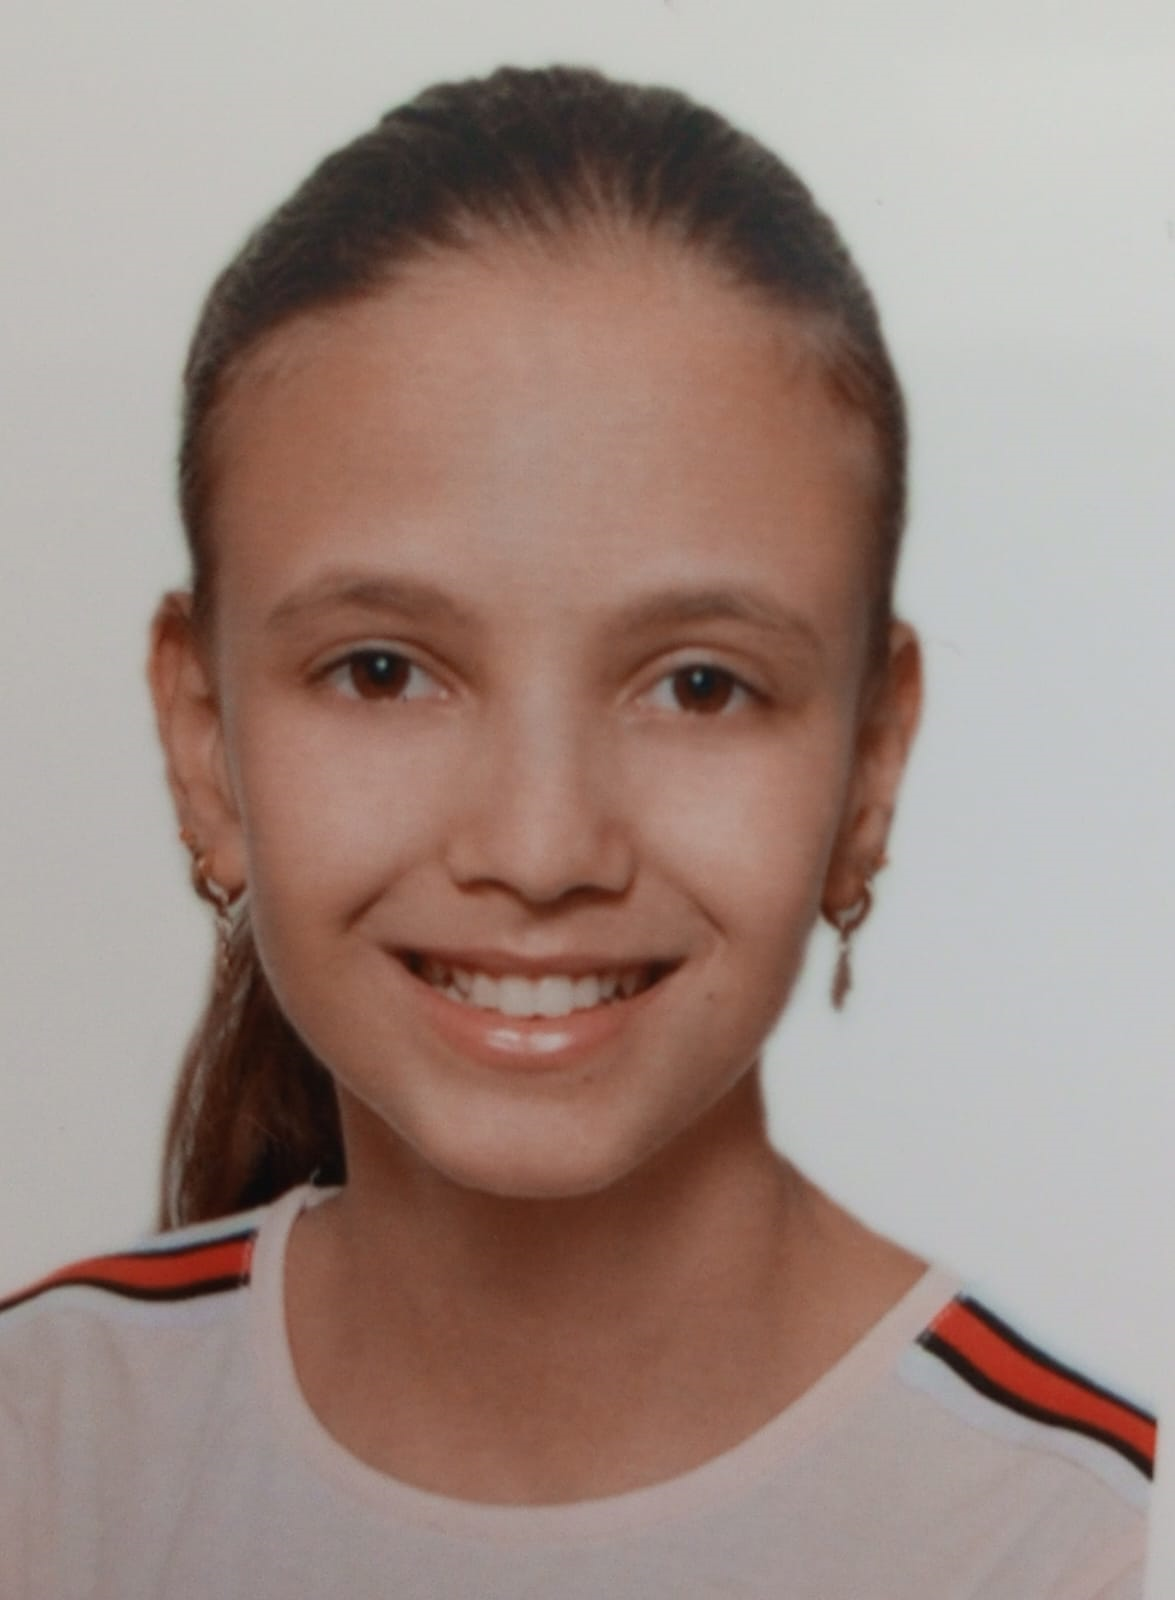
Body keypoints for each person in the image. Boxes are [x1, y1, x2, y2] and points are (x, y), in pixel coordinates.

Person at [0, 64, 1154, 1598]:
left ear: (867, 765)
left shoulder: (1090, 1551)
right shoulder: (40, 1455)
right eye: (383, 670)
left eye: (697, 684)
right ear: (203, 743)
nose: (540, 849)